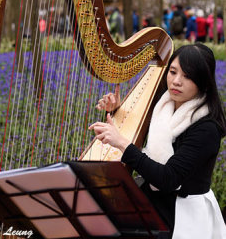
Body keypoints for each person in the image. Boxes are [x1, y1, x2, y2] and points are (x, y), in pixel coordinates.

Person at [89, 43, 226, 239]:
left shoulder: (207, 128)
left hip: (183, 213)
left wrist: (122, 144)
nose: (176, 81)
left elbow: (168, 178)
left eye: (187, 76)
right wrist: (117, 111)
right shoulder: (163, 105)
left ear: (203, 83)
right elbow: (136, 129)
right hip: (153, 201)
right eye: (172, 72)